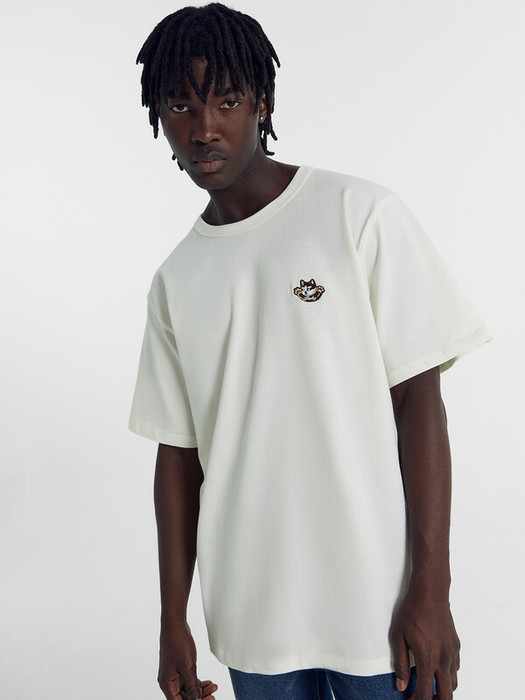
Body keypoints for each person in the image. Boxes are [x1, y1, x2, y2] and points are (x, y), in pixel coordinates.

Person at [129, 4, 491, 699]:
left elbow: (418, 401)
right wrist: (172, 620)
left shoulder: (358, 215)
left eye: (226, 101)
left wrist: (432, 587)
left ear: (262, 103)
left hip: (379, 614)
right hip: (253, 618)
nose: (203, 128)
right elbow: (178, 456)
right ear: (159, 119)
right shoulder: (176, 279)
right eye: (180, 106)